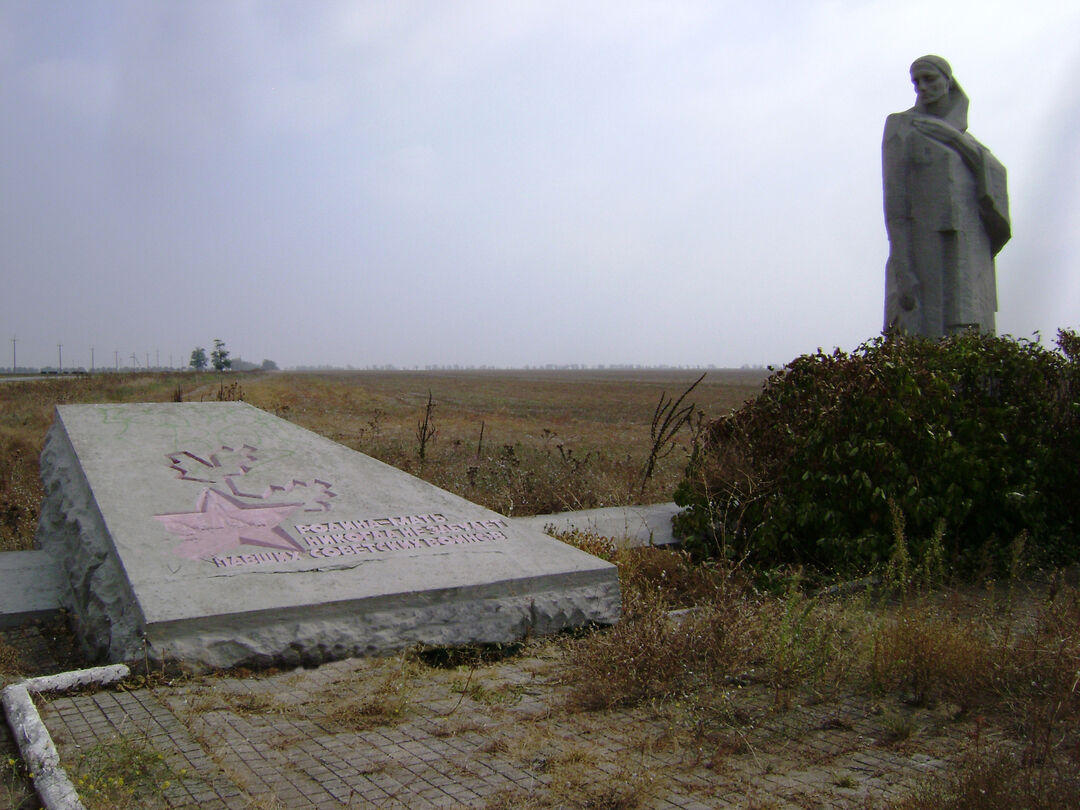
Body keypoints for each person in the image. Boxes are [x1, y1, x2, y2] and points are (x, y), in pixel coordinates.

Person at [882, 55, 1010, 337]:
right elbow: (895, 206)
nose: (922, 87)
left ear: (948, 82)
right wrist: (904, 268)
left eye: (930, 79)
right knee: (925, 337)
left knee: (971, 336)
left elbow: (997, 184)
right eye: (916, 82)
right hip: (925, 248)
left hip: (969, 248)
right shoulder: (902, 126)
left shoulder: (969, 142)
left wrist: (956, 141)